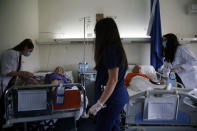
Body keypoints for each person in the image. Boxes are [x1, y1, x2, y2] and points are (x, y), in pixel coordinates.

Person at [89, 18, 129, 131]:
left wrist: (99, 104)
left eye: (97, 33)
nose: (96, 37)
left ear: (103, 33)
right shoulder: (116, 48)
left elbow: (113, 80)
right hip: (115, 97)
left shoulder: (110, 50)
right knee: (114, 127)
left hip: (111, 100)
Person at [0, 38, 34, 128]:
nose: (29, 53)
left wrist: (30, 78)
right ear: (25, 47)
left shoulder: (19, 56)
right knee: (2, 104)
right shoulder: (10, 53)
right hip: (4, 83)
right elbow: (5, 71)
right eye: (30, 51)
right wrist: (23, 73)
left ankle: (6, 121)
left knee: (6, 104)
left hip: (10, 84)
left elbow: (20, 72)